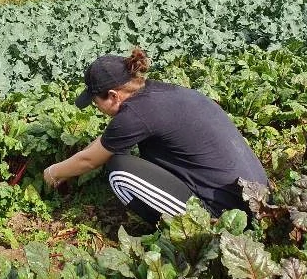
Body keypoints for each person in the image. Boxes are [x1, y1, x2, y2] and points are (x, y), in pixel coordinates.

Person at [42, 48, 269, 226]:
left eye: (95, 102)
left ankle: (192, 229)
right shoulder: (159, 94)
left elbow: (89, 160)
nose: (97, 108)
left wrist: (52, 173)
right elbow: (106, 142)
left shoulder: (135, 115)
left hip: (229, 212)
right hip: (257, 197)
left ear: (112, 96)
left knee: (118, 171)